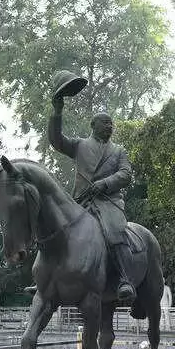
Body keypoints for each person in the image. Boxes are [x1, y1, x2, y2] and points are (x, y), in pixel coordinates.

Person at [49, 94, 135, 302]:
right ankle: (46, 277)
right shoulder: (79, 145)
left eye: (111, 123)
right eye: (105, 122)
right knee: (54, 229)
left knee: (115, 230)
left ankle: (124, 278)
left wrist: (105, 183)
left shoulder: (118, 151)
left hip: (108, 201)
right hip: (81, 201)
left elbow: (126, 174)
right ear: (93, 125)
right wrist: (57, 112)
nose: (109, 126)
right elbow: (57, 141)